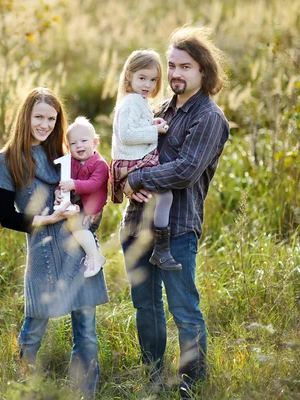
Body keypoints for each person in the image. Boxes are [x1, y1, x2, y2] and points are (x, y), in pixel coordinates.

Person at [120, 26, 229, 397]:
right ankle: (153, 375)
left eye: (185, 66)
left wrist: (136, 177)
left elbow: (185, 171)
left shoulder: (209, 117)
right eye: (171, 66)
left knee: (184, 309)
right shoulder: (159, 109)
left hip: (178, 229)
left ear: (203, 71)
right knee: (145, 307)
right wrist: (121, 174)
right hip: (136, 225)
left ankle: (192, 383)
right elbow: (127, 153)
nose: (176, 74)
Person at [0, 87, 109, 397]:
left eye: (51, 119)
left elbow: (95, 185)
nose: (45, 125)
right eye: (39, 117)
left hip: (78, 251)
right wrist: (43, 221)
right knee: (33, 332)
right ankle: (22, 391)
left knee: (86, 335)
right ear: (26, 116)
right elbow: (6, 216)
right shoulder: (6, 161)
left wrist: (90, 216)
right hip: (42, 253)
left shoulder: (64, 154)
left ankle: (84, 393)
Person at [110, 49, 182, 271]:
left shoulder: (137, 101)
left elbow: (136, 128)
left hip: (134, 161)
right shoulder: (131, 101)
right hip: (132, 163)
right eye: (142, 78)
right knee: (165, 194)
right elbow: (127, 134)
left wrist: (152, 124)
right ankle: (162, 248)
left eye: (153, 80)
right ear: (129, 76)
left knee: (157, 197)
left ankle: (155, 243)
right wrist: (155, 132)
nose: (148, 85)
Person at [56, 116, 109, 278]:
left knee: (78, 227)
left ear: (95, 143)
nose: (79, 146)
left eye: (84, 141)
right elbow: (64, 180)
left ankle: (95, 256)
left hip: (91, 208)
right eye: (73, 143)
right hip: (78, 204)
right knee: (71, 226)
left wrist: (73, 184)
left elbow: (93, 184)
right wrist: (59, 191)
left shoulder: (100, 164)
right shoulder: (71, 162)